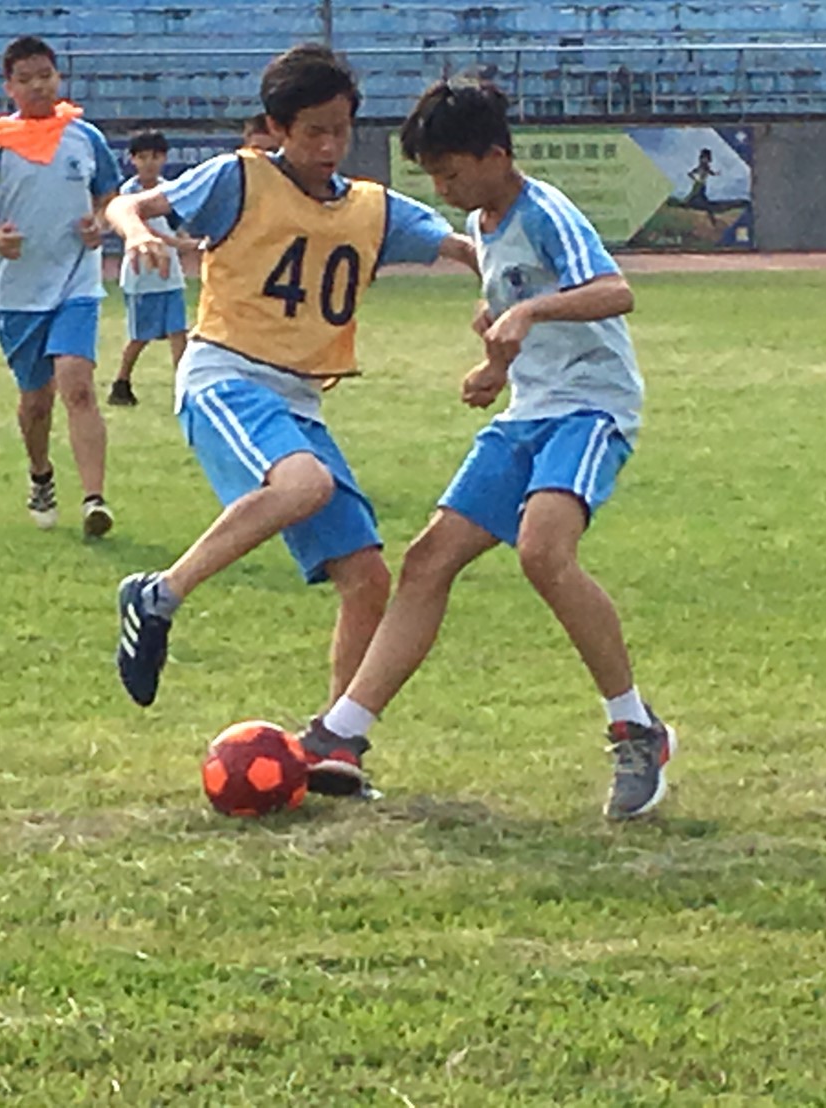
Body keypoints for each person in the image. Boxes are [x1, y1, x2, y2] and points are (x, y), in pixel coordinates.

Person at [302, 77, 674, 820]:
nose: (444, 190)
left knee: (543, 552)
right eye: (434, 177)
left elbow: (614, 290)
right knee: (428, 559)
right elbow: (504, 302)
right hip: (528, 412)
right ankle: (341, 733)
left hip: (590, 409)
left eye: (451, 173)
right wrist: (495, 365)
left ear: (496, 155)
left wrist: (531, 313)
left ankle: (637, 729)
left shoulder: (547, 211)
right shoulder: (483, 221)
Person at [108, 45, 475, 708]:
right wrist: (137, 234)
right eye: (313, 132)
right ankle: (157, 595)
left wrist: (507, 287)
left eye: (341, 130)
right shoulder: (238, 179)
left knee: (367, 577)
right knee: (305, 484)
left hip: (299, 401)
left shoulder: (371, 208)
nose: (329, 146)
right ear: (277, 128)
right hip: (225, 376)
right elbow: (127, 207)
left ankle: (337, 737)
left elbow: (458, 247)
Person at [0, 34, 121, 536]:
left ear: (58, 77)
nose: (39, 86)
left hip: (76, 282)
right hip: (18, 291)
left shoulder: (84, 137)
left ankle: (95, 500)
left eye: (46, 75)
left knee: (77, 384)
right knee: (36, 400)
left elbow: (109, 196)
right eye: (26, 79)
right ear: (10, 87)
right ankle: (41, 473)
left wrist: (100, 223)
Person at [108, 130, 195, 407]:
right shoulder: (128, 193)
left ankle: (184, 387)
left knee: (178, 331)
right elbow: (143, 229)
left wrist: (186, 240)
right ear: (132, 159)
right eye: (143, 157)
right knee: (140, 336)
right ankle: (121, 381)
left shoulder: (169, 190)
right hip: (142, 275)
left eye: (155, 157)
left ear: (164, 158)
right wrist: (180, 243)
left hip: (170, 275)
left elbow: (176, 224)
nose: (149, 163)